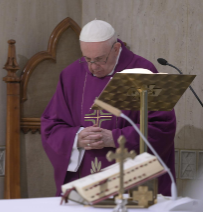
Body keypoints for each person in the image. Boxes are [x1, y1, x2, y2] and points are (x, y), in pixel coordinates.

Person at [41, 20, 176, 197]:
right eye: (87, 59)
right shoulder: (71, 75)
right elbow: (51, 126)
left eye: (99, 59)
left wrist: (114, 138)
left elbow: (162, 127)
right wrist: (76, 138)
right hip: (84, 186)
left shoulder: (143, 71)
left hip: (132, 187)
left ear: (116, 49)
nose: (92, 67)